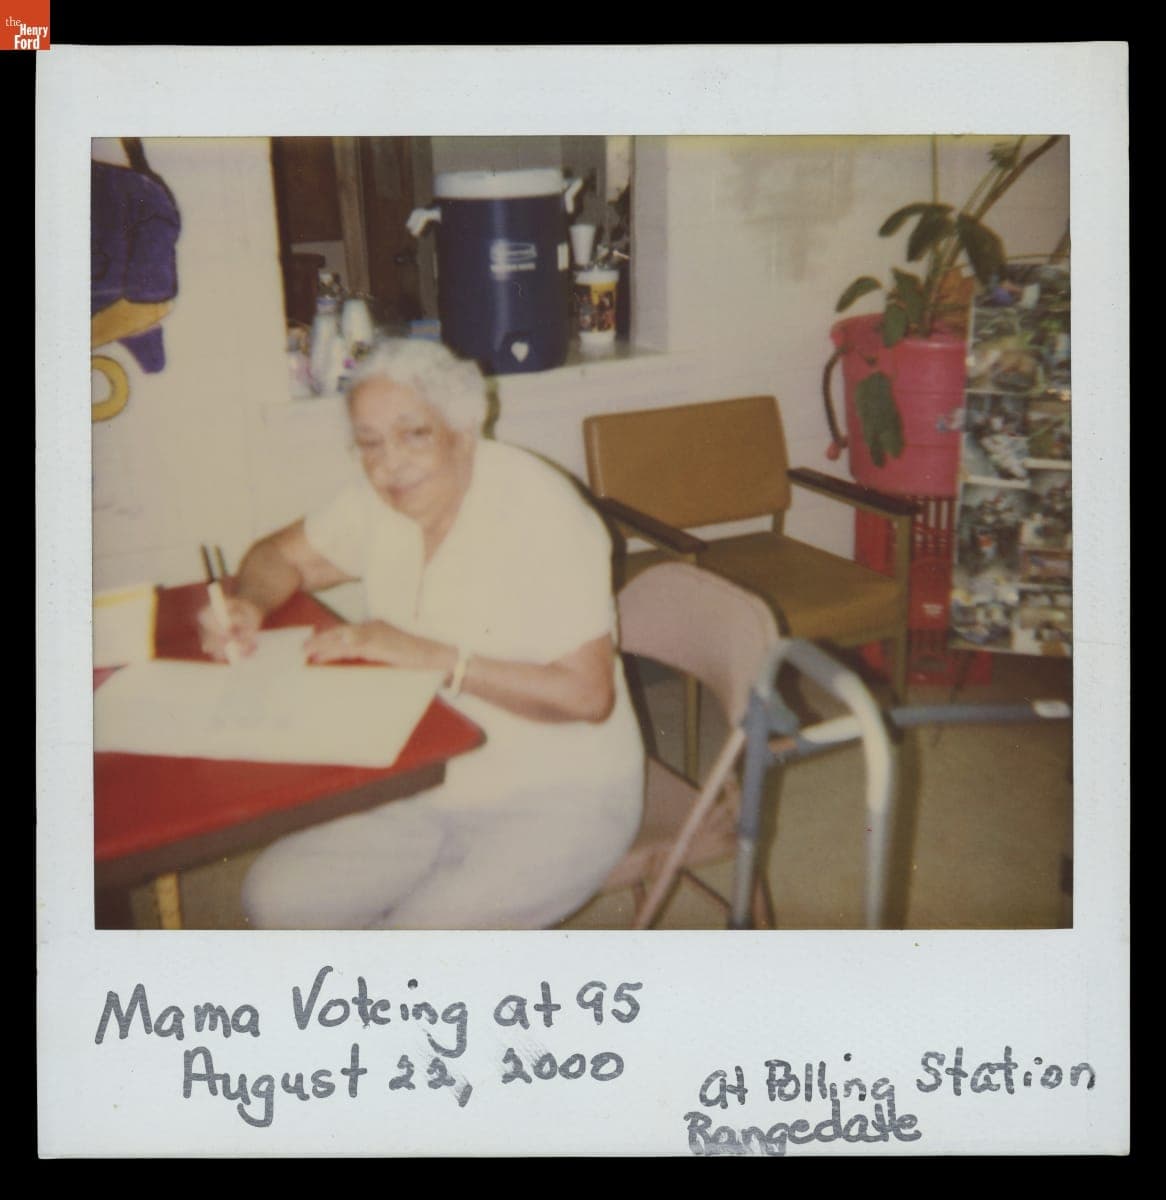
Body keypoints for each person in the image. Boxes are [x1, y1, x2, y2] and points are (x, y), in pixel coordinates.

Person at [198, 338, 645, 929]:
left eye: (414, 435)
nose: (389, 465)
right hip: (427, 775)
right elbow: (278, 557)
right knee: (275, 899)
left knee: (411, 954)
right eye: (369, 443)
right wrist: (248, 604)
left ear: (463, 428)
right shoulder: (382, 501)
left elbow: (586, 697)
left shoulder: (543, 513)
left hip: (560, 796)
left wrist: (430, 657)